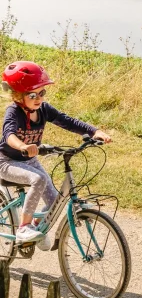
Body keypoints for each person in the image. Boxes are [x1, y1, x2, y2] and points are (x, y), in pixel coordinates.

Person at [0, 61, 111, 246]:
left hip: (30, 160)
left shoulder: (43, 109)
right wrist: (22, 146)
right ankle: (23, 228)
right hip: (6, 162)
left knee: (55, 201)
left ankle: (36, 228)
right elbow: (9, 135)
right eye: (33, 94)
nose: (39, 98)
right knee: (39, 180)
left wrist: (94, 131)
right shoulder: (13, 112)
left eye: (42, 93)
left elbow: (65, 120)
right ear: (18, 95)